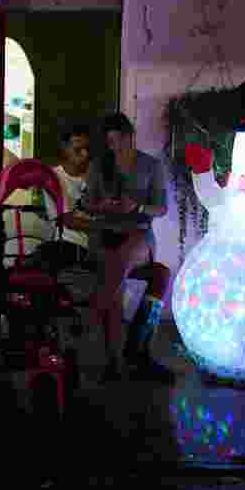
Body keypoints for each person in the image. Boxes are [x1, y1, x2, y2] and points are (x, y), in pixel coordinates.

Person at [84, 112, 174, 383]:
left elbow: (161, 208)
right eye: (108, 141)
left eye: (117, 139)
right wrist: (104, 206)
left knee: (118, 264)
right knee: (116, 270)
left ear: (129, 136)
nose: (113, 146)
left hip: (139, 233)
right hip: (105, 232)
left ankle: (92, 317)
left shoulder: (151, 165)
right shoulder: (100, 165)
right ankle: (118, 360)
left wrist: (137, 207)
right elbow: (88, 204)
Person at [41, 125, 93, 265]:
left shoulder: (95, 175)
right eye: (78, 150)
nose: (85, 154)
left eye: (87, 149)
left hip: (98, 248)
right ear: (65, 149)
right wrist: (103, 226)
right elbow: (67, 220)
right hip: (69, 248)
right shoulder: (53, 178)